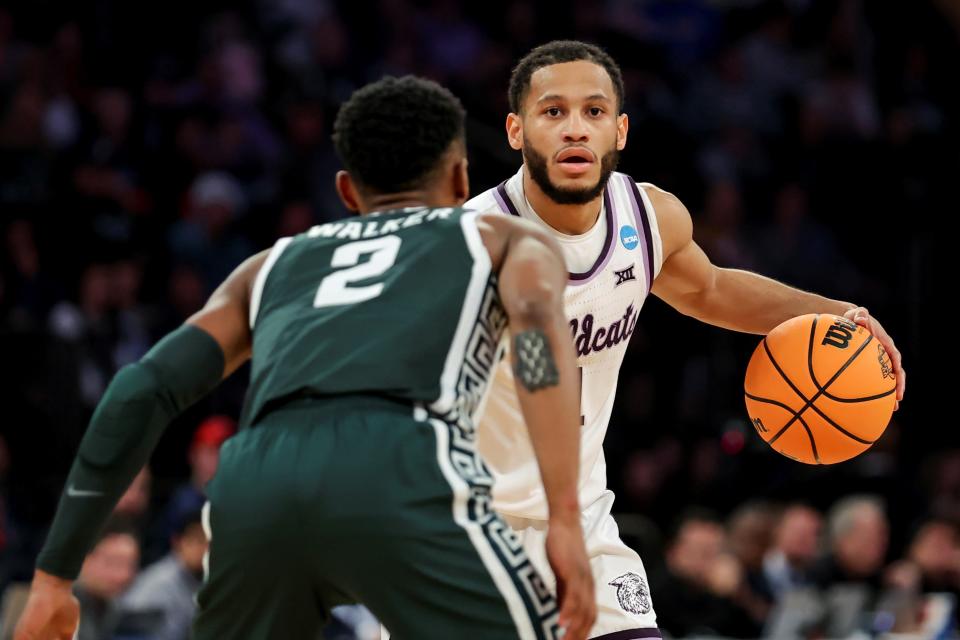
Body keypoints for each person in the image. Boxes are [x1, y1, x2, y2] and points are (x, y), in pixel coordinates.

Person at [14, 75, 596, 640]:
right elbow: (540, 345)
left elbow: (139, 390)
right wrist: (564, 519)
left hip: (253, 482)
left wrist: (52, 577)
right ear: (461, 178)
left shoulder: (271, 265)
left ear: (347, 192)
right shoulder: (506, 239)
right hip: (401, 460)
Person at [465, 40, 906, 639]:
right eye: (552, 112)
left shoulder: (648, 218)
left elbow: (711, 289)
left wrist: (838, 313)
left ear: (620, 130)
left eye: (594, 112)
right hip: (461, 531)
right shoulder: (465, 247)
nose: (575, 129)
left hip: (580, 521)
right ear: (516, 130)